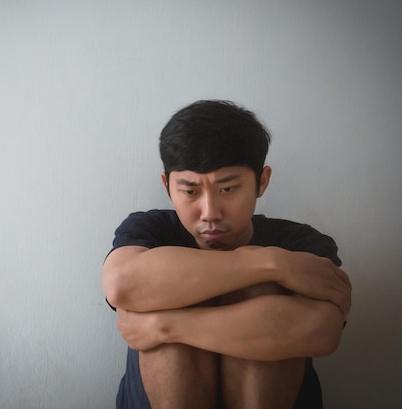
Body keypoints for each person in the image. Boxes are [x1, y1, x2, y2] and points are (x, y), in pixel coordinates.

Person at [102, 100, 351, 409]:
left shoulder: (298, 240)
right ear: (167, 186)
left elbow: (322, 331)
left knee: (254, 291)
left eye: (228, 189)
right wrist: (273, 264)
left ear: (261, 181)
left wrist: (165, 326)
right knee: (180, 288)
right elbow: (122, 285)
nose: (210, 213)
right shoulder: (150, 228)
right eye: (190, 192)